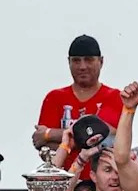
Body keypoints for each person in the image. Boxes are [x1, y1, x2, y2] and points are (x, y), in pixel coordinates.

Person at [34, 35, 123, 178]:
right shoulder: (54, 98)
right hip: (64, 182)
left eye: (88, 60)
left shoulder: (114, 97)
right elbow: (44, 148)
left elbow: (107, 136)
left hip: (101, 185)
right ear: (68, 62)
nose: (82, 66)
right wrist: (86, 141)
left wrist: (49, 134)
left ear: (101, 61)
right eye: (76, 60)